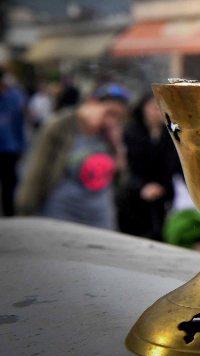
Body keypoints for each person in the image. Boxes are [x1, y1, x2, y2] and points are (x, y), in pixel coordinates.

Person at [17, 84, 130, 229]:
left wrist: (117, 145)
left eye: (118, 116)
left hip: (98, 214)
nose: (112, 121)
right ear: (92, 104)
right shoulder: (62, 125)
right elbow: (37, 167)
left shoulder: (111, 135)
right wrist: (26, 206)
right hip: (61, 210)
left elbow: (119, 177)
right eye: (110, 113)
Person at [115, 94, 179, 240]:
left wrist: (162, 186)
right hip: (134, 192)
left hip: (161, 194)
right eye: (154, 108)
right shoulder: (132, 132)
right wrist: (142, 187)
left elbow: (172, 165)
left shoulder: (170, 135)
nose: (158, 112)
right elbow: (128, 167)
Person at [0, 68, 26, 216]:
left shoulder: (14, 98)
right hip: (9, 147)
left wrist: (21, 146)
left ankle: (9, 215)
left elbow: (19, 124)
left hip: (9, 149)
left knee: (9, 185)